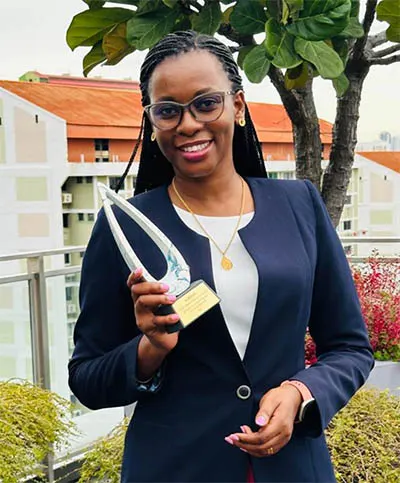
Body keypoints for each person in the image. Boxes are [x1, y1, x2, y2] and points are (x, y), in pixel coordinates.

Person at [68, 31, 374, 483]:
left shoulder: (300, 205)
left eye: (206, 103)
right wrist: (149, 349)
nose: (189, 124)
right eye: (168, 110)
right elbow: (87, 377)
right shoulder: (126, 228)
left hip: (291, 468)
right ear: (153, 123)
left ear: (238, 106)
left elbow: (350, 347)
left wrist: (300, 392)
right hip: (174, 467)